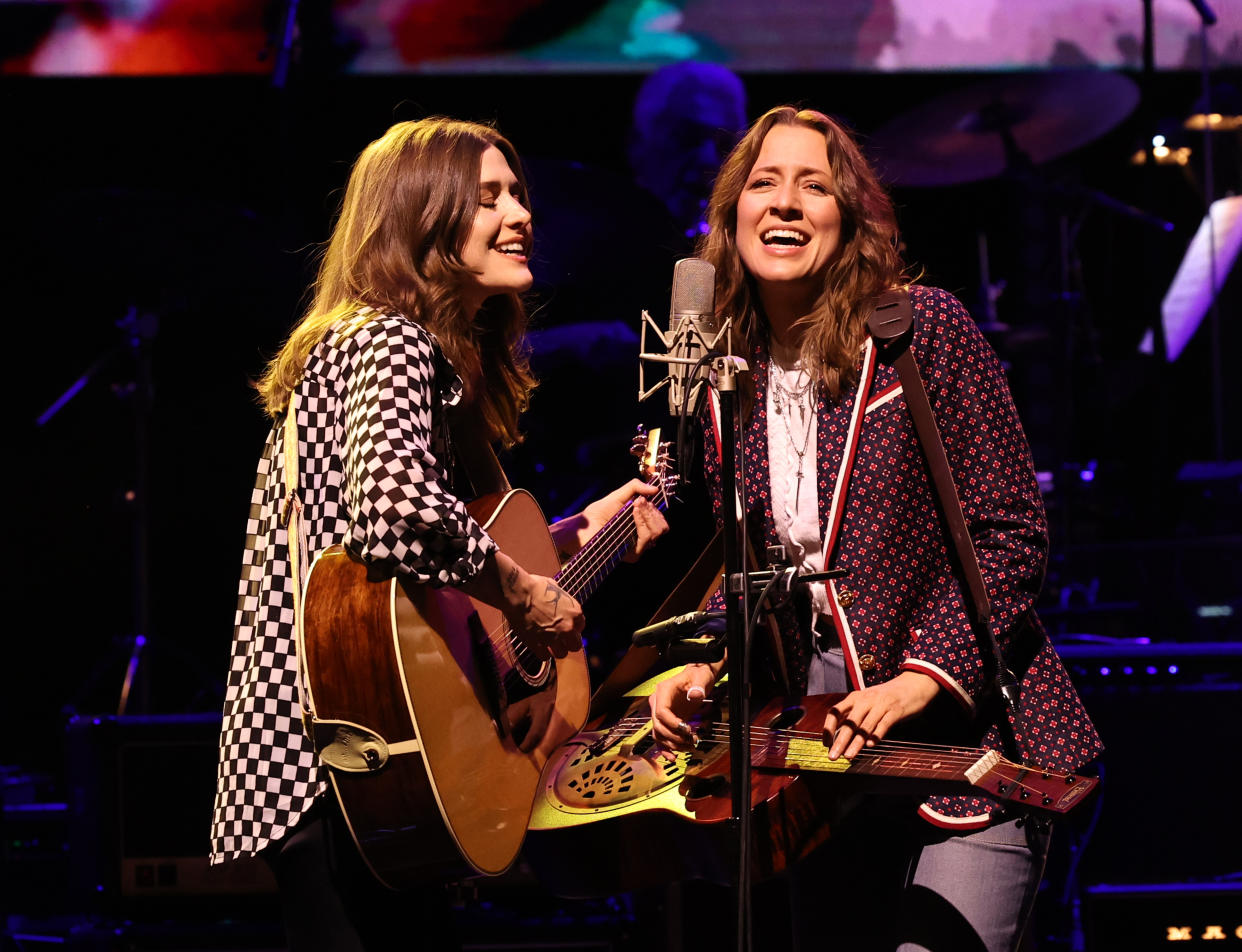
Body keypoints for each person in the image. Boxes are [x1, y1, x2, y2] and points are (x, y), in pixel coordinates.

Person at [647, 105, 1103, 951]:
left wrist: (920, 680)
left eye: (812, 186)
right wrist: (704, 665)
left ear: (849, 219)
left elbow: (1010, 531)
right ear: (732, 214)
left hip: (968, 746)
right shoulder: (722, 381)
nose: (784, 204)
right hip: (821, 758)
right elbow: (742, 564)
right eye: (764, 184)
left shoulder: (920, 333)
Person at [209, 117, 668, 951]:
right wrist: (528, 592)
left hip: (366, 756)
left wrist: (573, 537)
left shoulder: (383, 345)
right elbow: (395, 509)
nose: (520, 212)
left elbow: (419, 555)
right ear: (421, 216)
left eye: (517, 193)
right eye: (487, 197)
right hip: (341, 759)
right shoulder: (390, 337)